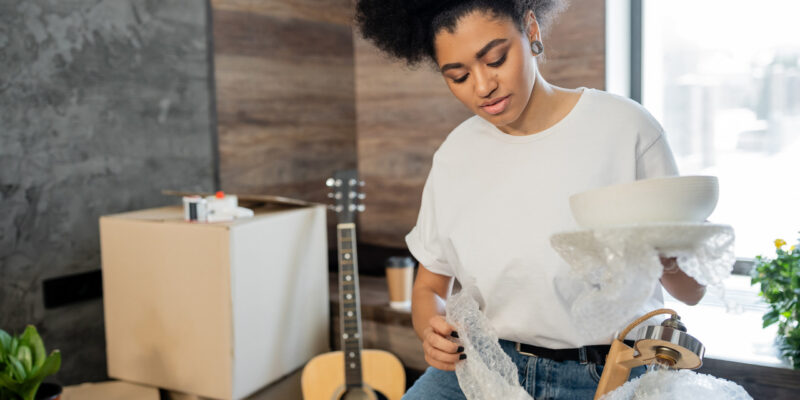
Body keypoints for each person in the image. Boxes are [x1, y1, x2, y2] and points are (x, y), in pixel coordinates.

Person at [355, 1, 707, 399]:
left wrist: (666, 258)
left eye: (496, 59)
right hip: (489, 365)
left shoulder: (625, 128)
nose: (482, 86)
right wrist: (430, 329)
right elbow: (430, 286)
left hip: (609, 371)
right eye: (458, 76)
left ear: (532, 30)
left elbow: (693, 291)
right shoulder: (455, 155)